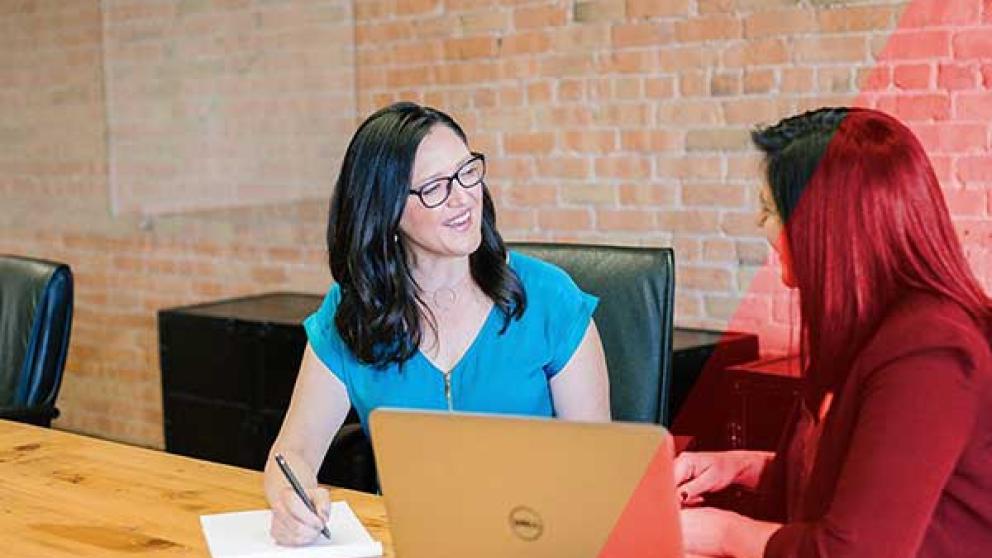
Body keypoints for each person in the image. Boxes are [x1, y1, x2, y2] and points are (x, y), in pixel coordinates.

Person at [263, 102, 611, 545]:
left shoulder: (550, 299)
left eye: (468, 171)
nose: (464, 196)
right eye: (434, 188)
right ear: (386, 210)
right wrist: (291, 504)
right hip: (408, 542)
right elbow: (292, 452)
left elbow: (597, 467)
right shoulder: (352, 315)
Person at [675, 107, 992, 557]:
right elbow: (848, 481)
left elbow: (856, 550)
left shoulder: (931, 352)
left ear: (826, 223)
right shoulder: (860, 331)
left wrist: (721, 535)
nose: (759, 225)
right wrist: (737, 468)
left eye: (769, 210)